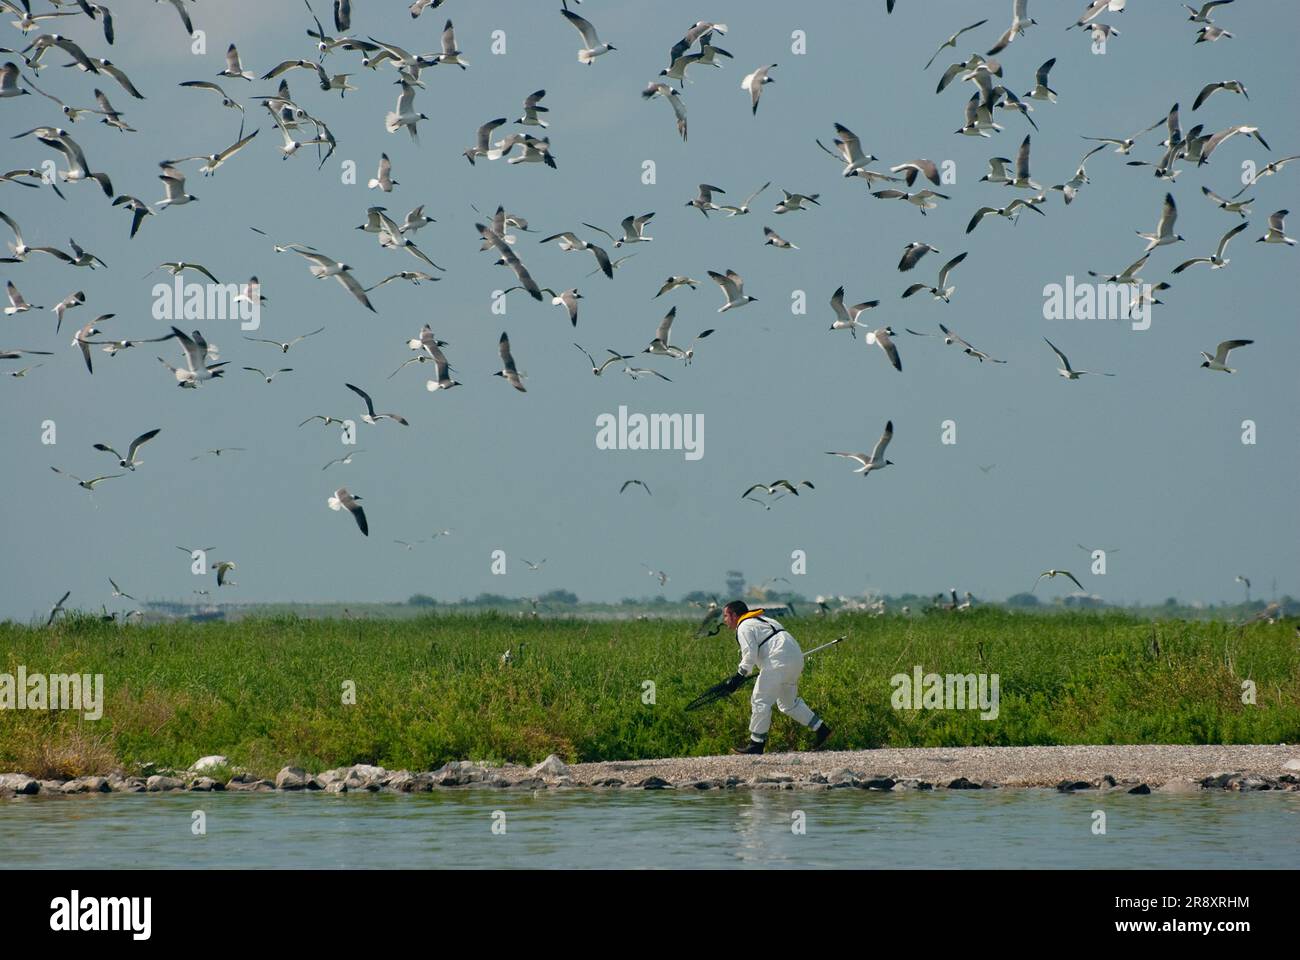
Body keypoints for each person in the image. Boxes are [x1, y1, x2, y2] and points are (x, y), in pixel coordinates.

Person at [718, 600, 832, 754]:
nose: (724, 620)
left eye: (725, 616)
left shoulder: (743, 626)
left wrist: (739, 676)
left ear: (734, 615)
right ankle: (822, 729)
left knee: (760, 700)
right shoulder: (765, 620)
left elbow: (749, 655)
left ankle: (756, 745)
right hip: (796, 659)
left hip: (778, 661)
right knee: (788, 704)